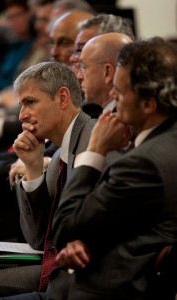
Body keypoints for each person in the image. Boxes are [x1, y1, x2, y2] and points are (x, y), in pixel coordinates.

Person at [51, 37, 177, 300]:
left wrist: (94, 150)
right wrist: (85, 238)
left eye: (119, 92)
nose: (111, 96)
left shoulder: (144, 164)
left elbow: (65, 227)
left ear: (148, 104)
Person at [0, 61, 96, 299]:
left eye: (30, 102)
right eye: (21, 105)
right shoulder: (58, 156)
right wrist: (33, 167)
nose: (22, 115)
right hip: (56, 268)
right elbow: (38, 239)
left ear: (62, 98)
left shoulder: (93, 141)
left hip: (82, 282)